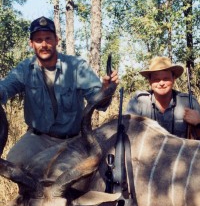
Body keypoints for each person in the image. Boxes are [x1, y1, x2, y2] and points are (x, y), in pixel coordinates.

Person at [0, 16, 119, 167]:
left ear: (56, 40)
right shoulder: (25, 68)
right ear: (31, 44)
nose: (44, 44)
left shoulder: (76, 66)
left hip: (72, 140)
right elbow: (5, 87)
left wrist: (105, 89)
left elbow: (100, 103)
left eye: (48, 39)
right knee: (13, 163)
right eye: (38, 40)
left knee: (71, 175)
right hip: (38, 138)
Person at [126, 56, 200, 140]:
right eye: (156, 79)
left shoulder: (189, 101)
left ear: (173, 79)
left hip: (181, 152)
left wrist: (199, 124)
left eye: (166, 79)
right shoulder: (138, 102)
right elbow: (127, 134)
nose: (161, 83)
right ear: (150, 81)